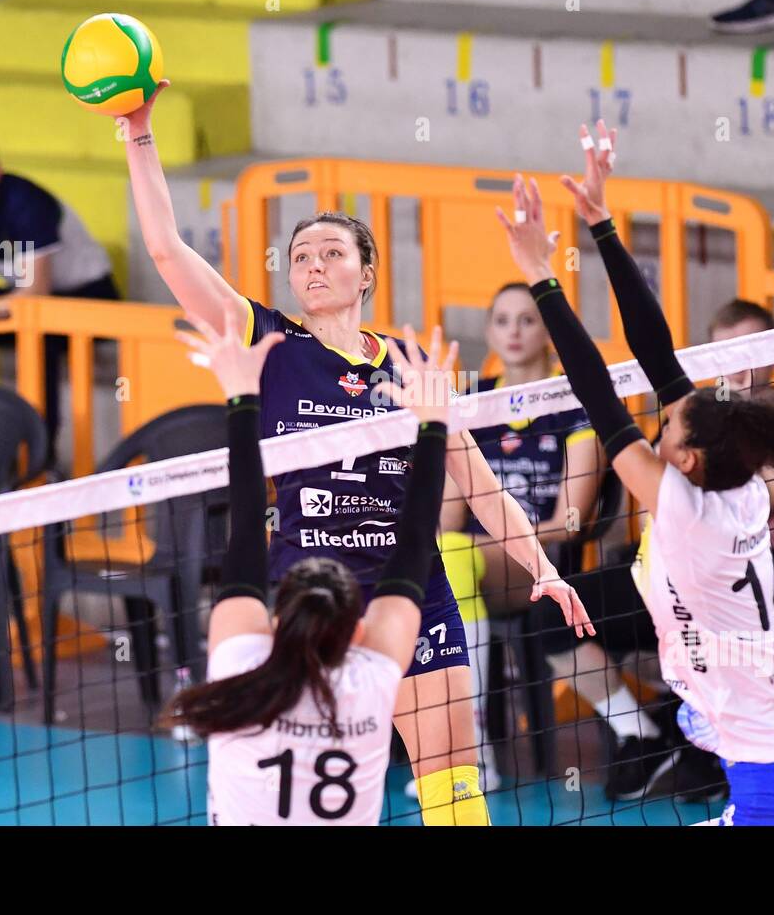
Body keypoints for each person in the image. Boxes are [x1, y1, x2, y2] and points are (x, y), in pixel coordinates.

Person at [126, 81, 593, 826]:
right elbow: (163, 248)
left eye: (331, 252)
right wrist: (138, 132)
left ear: (366, 273)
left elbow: (475, 480)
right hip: (309, 597)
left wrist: (541, 570)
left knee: (454, 788)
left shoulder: (409, 359)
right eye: (300, 254)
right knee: (316, 783)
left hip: (411, 588)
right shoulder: (271, 345)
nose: (311, 264)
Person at [496, 120, 774, 825]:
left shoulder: (688, 508)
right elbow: (658, 355)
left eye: (666, 428)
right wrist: (601, 222)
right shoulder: (732, 489)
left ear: (685, 458)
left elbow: (597, 389)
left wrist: (540, 274)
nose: (658, 427)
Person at [164, 312, 458, 825]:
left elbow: (248, 525)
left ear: (276, 622)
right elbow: (415, 546)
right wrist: (432, 423)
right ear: (358, 630)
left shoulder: (238, 671)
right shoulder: (371, 686)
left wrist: (239, 396)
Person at [431, 281, 605, 793]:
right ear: (488, 330)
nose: (514, 330)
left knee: (454, 556)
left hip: (542, 559)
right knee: (442, 555)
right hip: (470, 557)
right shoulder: (472, 402)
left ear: (547, 332)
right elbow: (447, 517)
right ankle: (449, 745)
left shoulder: (572, 399)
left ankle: (471, 751)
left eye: (527, 319)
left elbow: (573, 519)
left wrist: (510, 537)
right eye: (503, 320)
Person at [0, 127, 118, 470]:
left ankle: (39, 460)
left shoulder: (26, 201)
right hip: (23, 298)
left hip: (88, 297)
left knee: (37, 337)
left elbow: (36, 292)